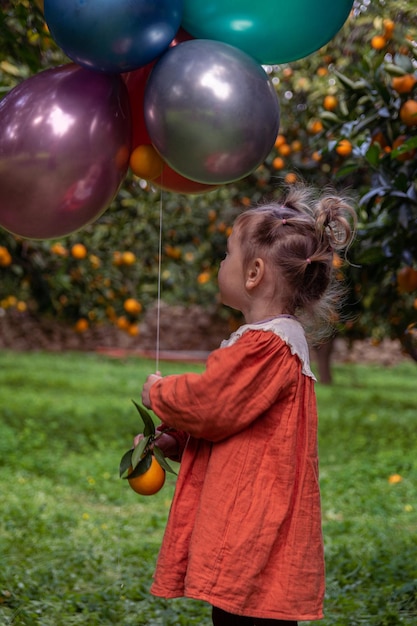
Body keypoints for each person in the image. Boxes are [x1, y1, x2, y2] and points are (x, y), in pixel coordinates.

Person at [139, 184, 356, 625]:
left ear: (254, 272)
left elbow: (214, 404)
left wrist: (159, 394)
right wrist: (179, 440)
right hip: (252, 519)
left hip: (253, 525)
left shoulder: (266, 345)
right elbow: (239, 424)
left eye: (226, 255)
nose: (220, 264)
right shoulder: (269, 345)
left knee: (247, 615)